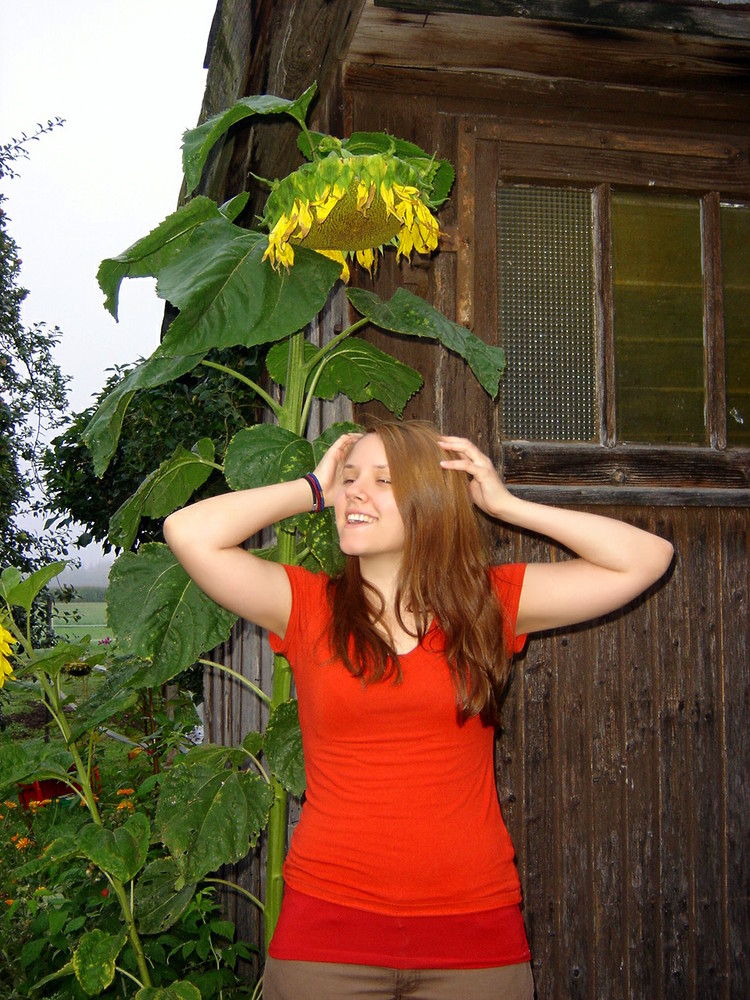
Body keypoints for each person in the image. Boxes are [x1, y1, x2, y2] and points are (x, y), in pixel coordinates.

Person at [163, 420, 673, 1000]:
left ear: (430, 502)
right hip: (326, 935)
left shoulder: (490, 603)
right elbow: (188, 532)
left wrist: (504, 505)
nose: (356, 491)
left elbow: (647, 558)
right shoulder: (305, 606)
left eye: (383, 480)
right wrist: (312, 488)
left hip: (474, 935)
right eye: (351, 478)